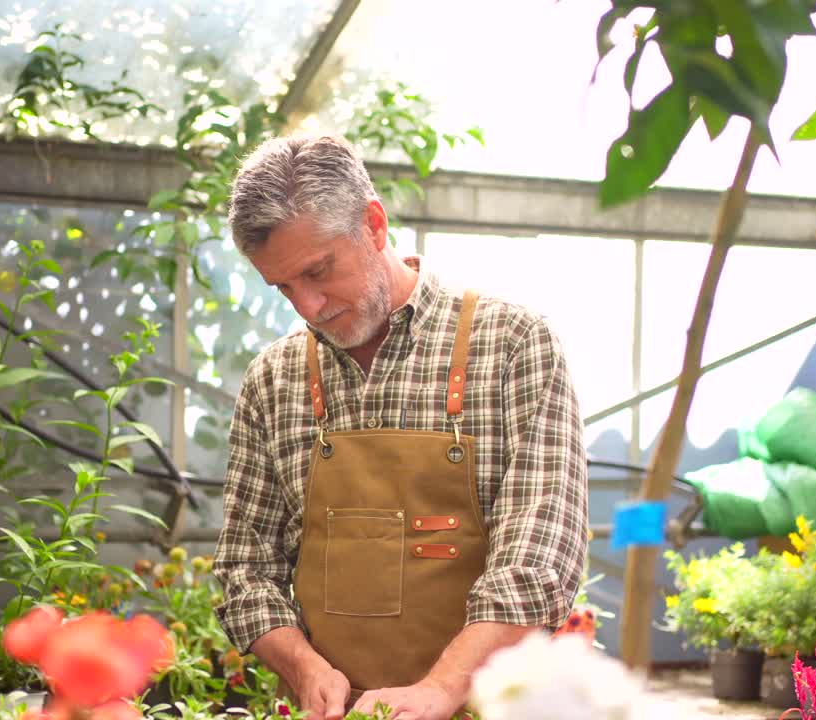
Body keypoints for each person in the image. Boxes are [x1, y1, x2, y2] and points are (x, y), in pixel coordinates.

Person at [213, 134, 589, 720]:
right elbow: (244, 570)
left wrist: (442, 688)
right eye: (284, 287)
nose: (308, 306)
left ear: (374, 224)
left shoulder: (512, 346)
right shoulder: (274, 379)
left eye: (319, 271)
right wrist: (304, 668)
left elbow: (538, 561)